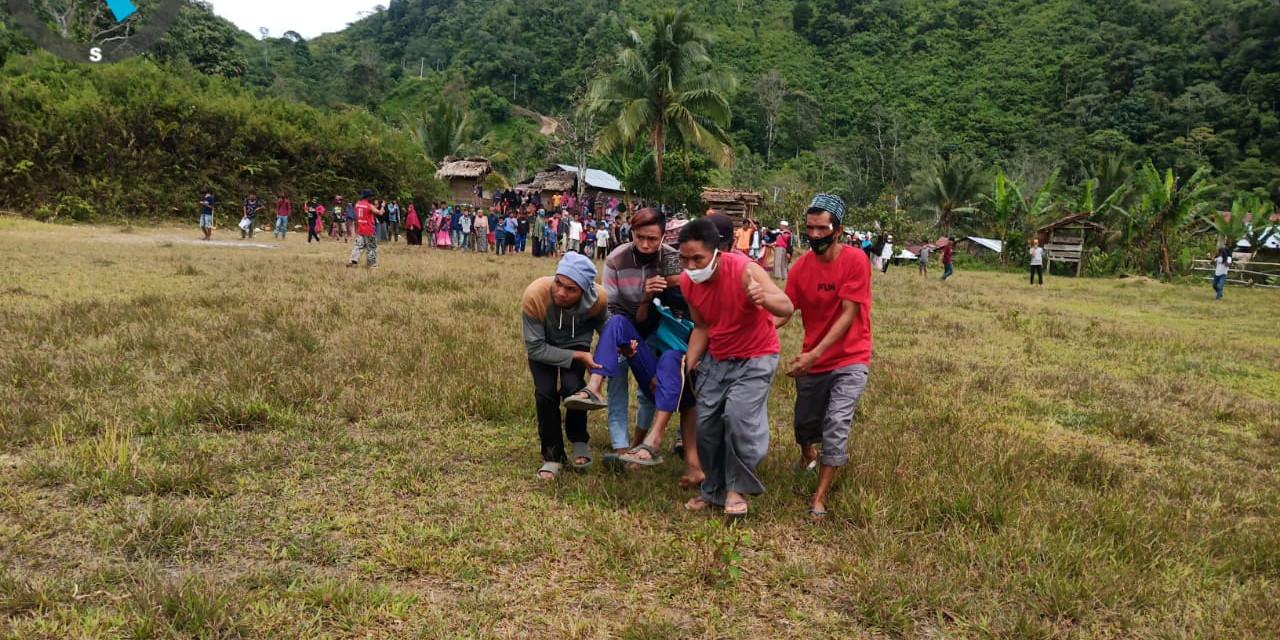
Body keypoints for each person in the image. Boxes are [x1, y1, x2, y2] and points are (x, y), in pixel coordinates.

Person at [679, 217, 793, 517]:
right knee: (707, 426)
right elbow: (702, 327)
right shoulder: (687, 282)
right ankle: (713, 490)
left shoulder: (745, 270)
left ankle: (736, 489)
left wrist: (764, 297)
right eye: (684, 258)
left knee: (738, 418)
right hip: (717, 357)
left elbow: (786, 306)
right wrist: (686, 367)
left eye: (698, 259)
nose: (690, 266)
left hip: (757, 355)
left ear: (716, 252)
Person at [777, 194, 872, 520]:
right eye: (810, 228)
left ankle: (819, 497)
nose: (814, 235)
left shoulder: (857, 260)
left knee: (835, 424)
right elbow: (786, 309)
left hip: (850, 358)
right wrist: (758, 325)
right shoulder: (801, 267)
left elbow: (847, 316)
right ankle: (807, 454)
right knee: (803, 425)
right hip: (813, 361)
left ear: (838, 230)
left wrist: (814, 355)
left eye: (821, 228)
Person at [522, 252, 610, 480]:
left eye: (571, 289)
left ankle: (579, 440)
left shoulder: (598, 298)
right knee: (545, 394)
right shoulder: (535, 295)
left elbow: (608, 333)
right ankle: (553, 456)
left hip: (577, 341)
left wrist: (605, 361)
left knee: (574, 388)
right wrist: (581, 356)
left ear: (584, 290)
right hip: (544, 346)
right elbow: (535, 349)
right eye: (558, 283)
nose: (561, 292)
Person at [348, 188, 383, 268]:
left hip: (360, 229)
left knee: (358, 246)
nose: (372, 198)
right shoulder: (369, 205)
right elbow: (380, 213)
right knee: (371, 247)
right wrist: (383, 206)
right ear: (368, 197)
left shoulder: (357, 204)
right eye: (371, 197)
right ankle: (372, 264)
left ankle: (352, 260)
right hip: (369, 229)